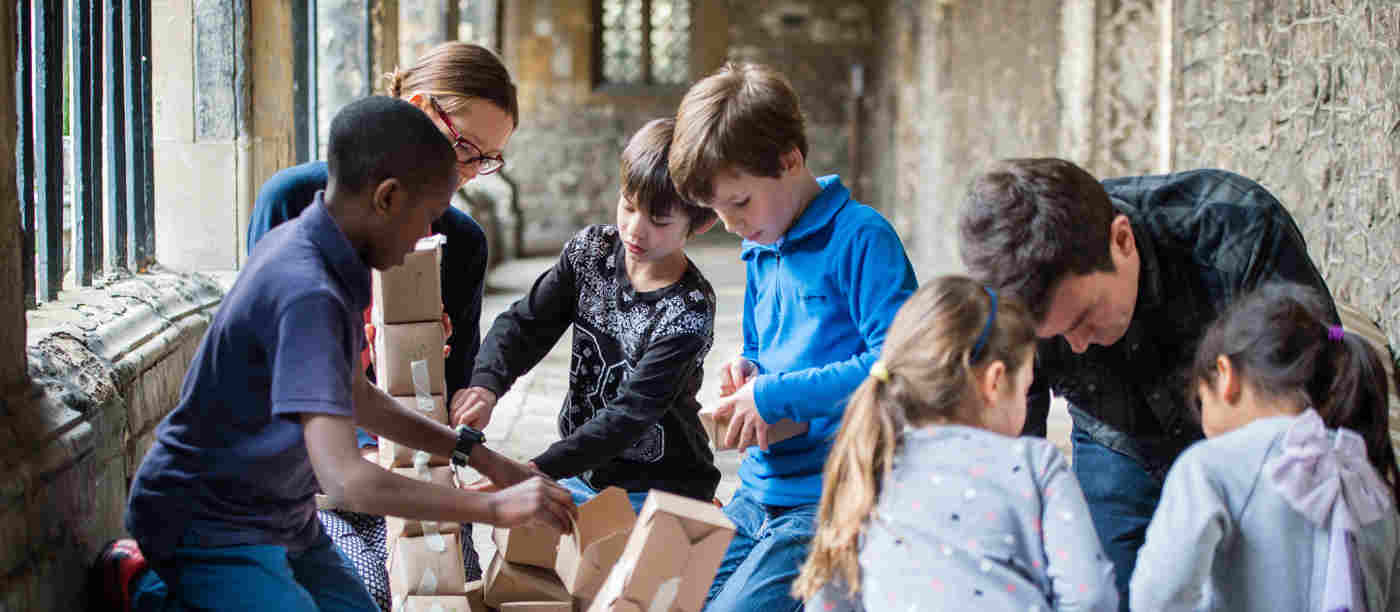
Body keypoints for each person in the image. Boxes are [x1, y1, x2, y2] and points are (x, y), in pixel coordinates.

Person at [92, 97, 575, 612]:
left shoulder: (330, 254)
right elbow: (349, 480)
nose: (427, 238)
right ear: (387, 198)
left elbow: (357, 395)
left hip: (281, 511)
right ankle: (146, 586)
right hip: (209, 522)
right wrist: (493, 507)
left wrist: (482, 457)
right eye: (427, 219)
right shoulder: (308, 290)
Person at [957, 158, 1337, 608]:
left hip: (1247, 443)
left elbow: (1322, 378)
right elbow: (1011, 451)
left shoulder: (1236, 226)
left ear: (1121, 240)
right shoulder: (1008, 308)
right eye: (1054, 339)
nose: (1076, 348)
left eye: (1083, 320)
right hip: (1117, 441)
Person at [246, 41, 516, 606]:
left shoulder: (461, 243)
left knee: (450, 587)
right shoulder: (295, 205)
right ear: (419, 110)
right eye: (465, 148)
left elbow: (438, 401)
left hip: (400, 467)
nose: (469, 174)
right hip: (302, 474)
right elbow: (270, 378)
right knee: (368, 591)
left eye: (486, 160)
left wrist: (432, 367)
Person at [668, 62, 918, 611]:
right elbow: (762, 351)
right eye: (715, 211)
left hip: (833, 493)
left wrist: (776, 395)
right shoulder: (761, 242)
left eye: (739, 203)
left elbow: (899, 367)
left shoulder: (863, 238)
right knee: (669, 595)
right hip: (759, 487)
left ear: (790, 160)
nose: (730, 225)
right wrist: (748, 374)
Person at [793, 276, 1117, 611]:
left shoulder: (868, 464)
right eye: (1025, 389)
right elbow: (1091, 597)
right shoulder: (1035, 465)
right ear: (994, 382)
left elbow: (827, 601)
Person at [452, 118, 720, 513]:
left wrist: (534, 471)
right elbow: (525, 325)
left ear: (702, 222)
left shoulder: (689, 310)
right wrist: (485, 386)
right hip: (585, 474)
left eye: (659, 221)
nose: (635, 229)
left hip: (663, 489)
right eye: (628, 206)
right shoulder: (591, 251)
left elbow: (630, 415)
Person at [1131, 282, 1400, 611]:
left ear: (1225, 375)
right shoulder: (1371, 487)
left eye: (1201, 402)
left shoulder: (1209, 468)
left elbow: (1156, 598)